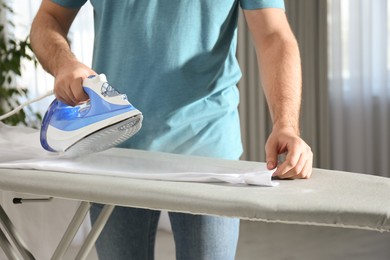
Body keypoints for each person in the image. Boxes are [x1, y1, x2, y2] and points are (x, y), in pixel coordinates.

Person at [30, 0, 313, 259]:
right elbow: (48, 18)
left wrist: (286, 124)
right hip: (114, 152)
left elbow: (274, 36)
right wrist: (64, 63)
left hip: (207, 150)